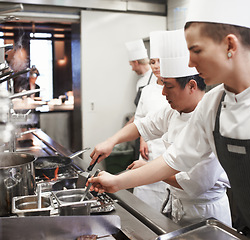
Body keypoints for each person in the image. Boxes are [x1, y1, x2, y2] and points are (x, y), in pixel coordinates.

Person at [89, 0, 250, 238]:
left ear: (230, 44)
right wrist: (117, 182)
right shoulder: (213, 104)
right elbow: (173, 160)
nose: (190, 63)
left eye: (196, 50)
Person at [90, 29, 231, 225]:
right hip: (178, 207)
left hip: (207, 214)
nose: (163, 92)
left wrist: (120, 180)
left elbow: (195, 184)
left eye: (169, 86)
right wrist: (111, 141)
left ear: (191, 86)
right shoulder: (173, 111)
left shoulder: (211, 118)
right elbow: (143, 124)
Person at [127, 31, 169, 211]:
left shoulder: (182, 92)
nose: (156, 66)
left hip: (167, 155)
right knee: (145, 207)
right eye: (153, 62)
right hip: (149, 151)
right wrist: (143, 139)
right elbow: (142, 118)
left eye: (160, 61)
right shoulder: (148, 90)